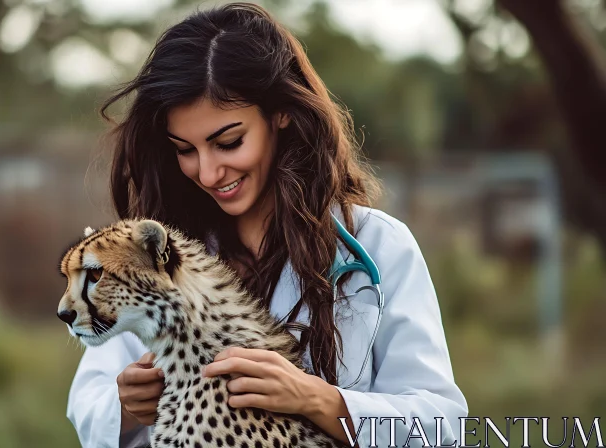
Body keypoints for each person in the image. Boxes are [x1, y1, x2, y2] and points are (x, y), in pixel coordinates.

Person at [66, 3, 468, 447]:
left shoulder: (378, 246)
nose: (208, 172)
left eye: (228, 142)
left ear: (281, 113)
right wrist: (124, 407)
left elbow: (439, 423)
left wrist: (319, 400)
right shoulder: (152, 258)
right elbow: (88, 402)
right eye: (185, 149)